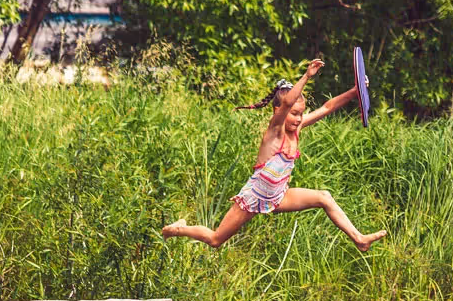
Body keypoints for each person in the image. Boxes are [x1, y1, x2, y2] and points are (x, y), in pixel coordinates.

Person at [161, 59, 387, 252]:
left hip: (278, 197)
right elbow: (288, 102)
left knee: (324, 197)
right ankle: (178, 229)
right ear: (278, 112)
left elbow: (327, 108)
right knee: (215, 239)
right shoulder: (274, 131)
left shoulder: (296, 129)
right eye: (294, 114)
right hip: (253, 198)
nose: (298, 119)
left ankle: (359, 239)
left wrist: (355, 91)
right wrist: (306, 76)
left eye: (301, 114)